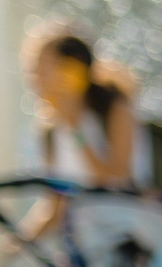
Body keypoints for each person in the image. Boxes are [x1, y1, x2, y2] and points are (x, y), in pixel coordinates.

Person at [23, 23, 150, 192]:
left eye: (42, 70)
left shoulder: (115, 110)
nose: (36, 82)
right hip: (79, 210)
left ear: (72, 71)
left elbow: (115, 180)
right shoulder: (51, 130)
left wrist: (76, 129)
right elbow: (56, 200)